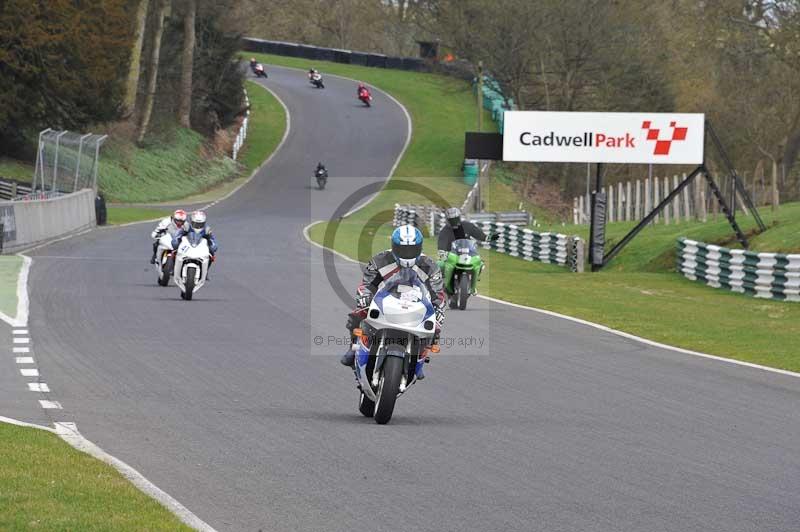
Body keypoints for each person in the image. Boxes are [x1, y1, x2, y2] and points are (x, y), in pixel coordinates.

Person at [340, 225, 446, 379]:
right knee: (357, 314)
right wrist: (365, 297)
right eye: (403, 249)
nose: (407, 254)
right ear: (394, 247)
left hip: (416, 305)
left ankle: (418, 360)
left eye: (412, 249)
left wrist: (438, 309)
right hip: (384, 300)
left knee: (435, 327)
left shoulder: (430, 266)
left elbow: (438, 295)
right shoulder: (379, 260)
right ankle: (353, 348)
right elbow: (367, 284)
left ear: (419, 248)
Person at [172, 210, 218, 276]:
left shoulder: (207, 229)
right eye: (196, 224)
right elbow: (177, 235)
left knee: (211, 254)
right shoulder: (186, 226)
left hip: (200, 246)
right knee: (174, 251)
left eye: (200, 224)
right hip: (187, 245)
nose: (198, 226)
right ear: (191, 221)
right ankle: (175, 267)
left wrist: (213, 246)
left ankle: (205, 271)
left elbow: (212, 240)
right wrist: (176, 241)